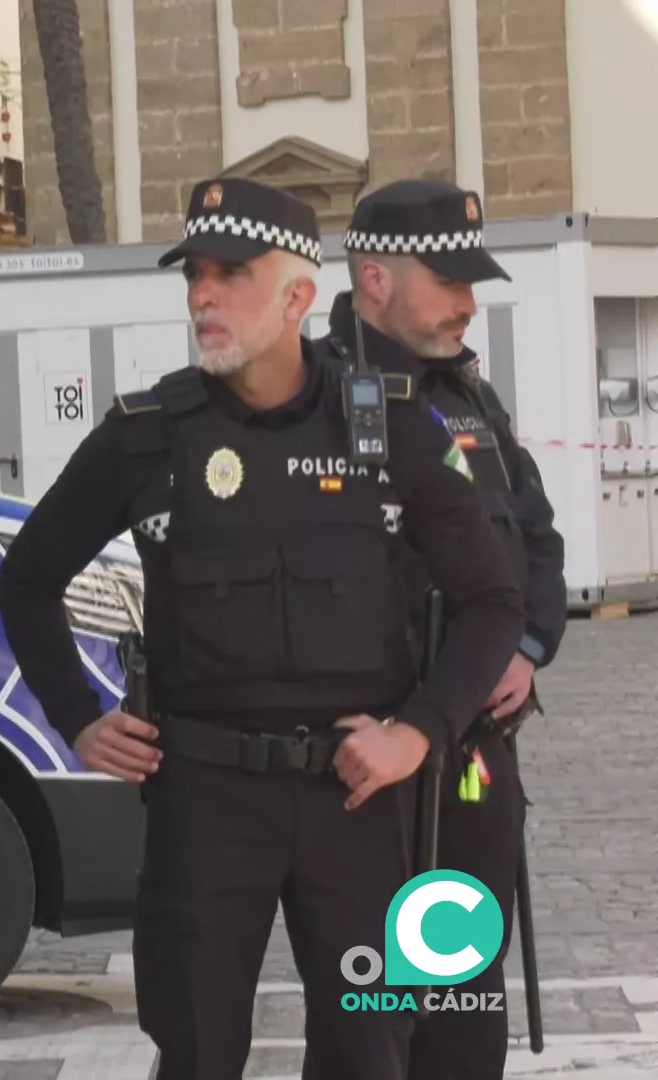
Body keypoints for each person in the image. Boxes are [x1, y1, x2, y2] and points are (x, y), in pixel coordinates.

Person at [0, 176, 525, 1079]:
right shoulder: (150, 433)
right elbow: (28, 579)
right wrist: (77, 715)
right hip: (205, 802)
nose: (204, 294)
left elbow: (492, 600)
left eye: (231, 273)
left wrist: (417, 733)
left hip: (356, 803)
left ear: (298, 295)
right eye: (194, 274)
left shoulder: (391, 421)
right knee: (197, 1051)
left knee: (369, 1051)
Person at [331, 178, 567, 1079]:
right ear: (375, 277)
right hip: (374, 761)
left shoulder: (470, 396)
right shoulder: (321, 395)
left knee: (466, 1000)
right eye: (450, 280)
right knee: (376, 1009)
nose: (470, 302)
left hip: (474, 755)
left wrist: (527, 648)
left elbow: (535, 539)